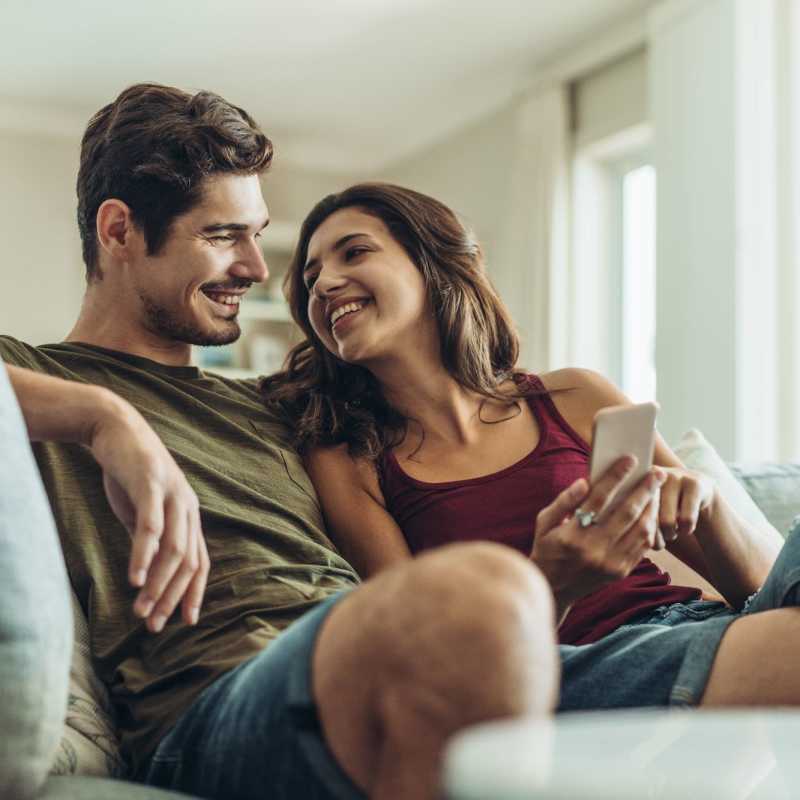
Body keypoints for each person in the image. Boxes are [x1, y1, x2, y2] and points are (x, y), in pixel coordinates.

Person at [0, 82, 602, 800]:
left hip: (366, 650)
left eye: (256, 235)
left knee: (768, 649)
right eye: (223, 236)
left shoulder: (286, 408)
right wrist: (107, 418)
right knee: (488, 594)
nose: (256, 270)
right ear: (119, 230)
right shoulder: (36, 383)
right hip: (216, 709)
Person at [262, 181, 800, 719]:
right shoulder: (348, 458)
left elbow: (765, 591)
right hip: (566, 666)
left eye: (354, 252)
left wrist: (705, 506)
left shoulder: (574, 396)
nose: (326, 284)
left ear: (431, 264)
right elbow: (434, 665)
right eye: (310, 279)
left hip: (703, 626)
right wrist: (550, 584)